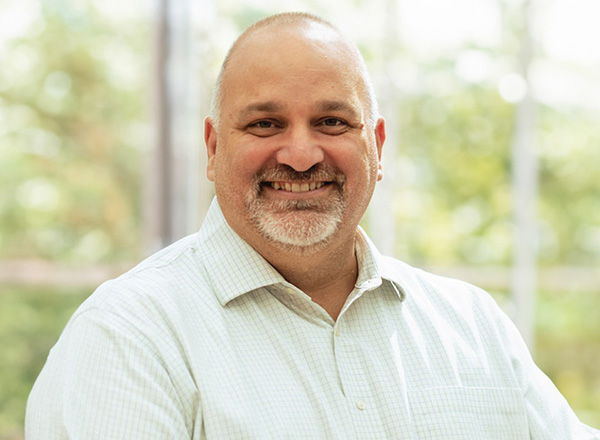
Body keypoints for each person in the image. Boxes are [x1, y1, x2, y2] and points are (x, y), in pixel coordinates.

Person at [26, 12, 599, 440]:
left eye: (331, 121)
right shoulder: (127, 338)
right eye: (265, 123)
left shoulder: (472, 326)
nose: (300, 155)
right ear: (213, 147)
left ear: (375, 146)